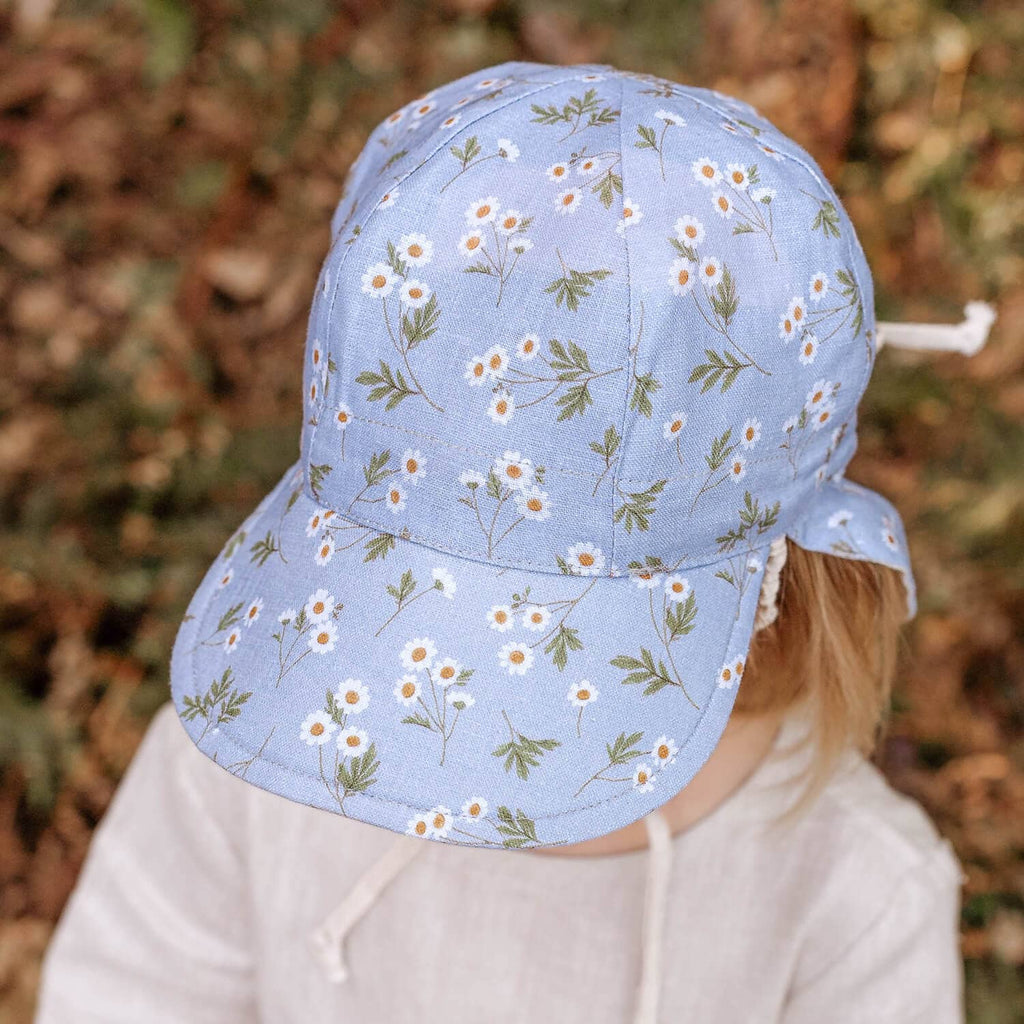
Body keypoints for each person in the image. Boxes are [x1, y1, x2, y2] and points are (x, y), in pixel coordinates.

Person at [36, 61, 993, 1023]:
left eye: (549, 668)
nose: (477, 754)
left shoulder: (851, 890)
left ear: (777, 579)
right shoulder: (270, 748)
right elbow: (127, 990)